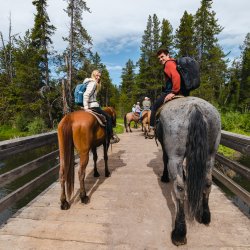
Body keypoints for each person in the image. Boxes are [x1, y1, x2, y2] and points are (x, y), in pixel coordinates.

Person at [147, 48, 182, 139]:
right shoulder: (174, 63)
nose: (160, 59)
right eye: (159, 58)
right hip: (181, 92)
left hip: (171, 91)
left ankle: (151, 128)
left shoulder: (168, 63)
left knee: (154, 107)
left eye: (162, 57)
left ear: (168, 55)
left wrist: (173, 92)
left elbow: (176, 76)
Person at [83, 69, 118, 144]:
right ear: (93, 75)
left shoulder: (87, 82)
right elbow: (86, 95)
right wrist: (86, 108)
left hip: (89, 105)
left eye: (99, 76)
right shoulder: (93, 83)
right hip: (93, 106)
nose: (98, 77)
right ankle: (110, 136)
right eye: (97, 76)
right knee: (108, 117)